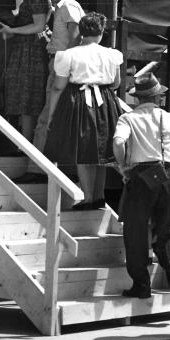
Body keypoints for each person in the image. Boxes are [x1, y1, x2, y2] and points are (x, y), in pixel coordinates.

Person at [112, 73, 170, 300]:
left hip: (142, 174)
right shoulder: (169, 118)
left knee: (136, 230)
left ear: (138, 98)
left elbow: (118, 142)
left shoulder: (128, 119)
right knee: (168, 229)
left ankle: (141, 285)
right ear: (157, 97)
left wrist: (123, 166)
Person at [44, 12, 122, 209]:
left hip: (79, 100)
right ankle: (98, 195)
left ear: (81, 31)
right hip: (106, 100)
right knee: (102, 151)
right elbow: (116, 83)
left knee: (84, 149)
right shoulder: (112, 54)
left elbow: (58, 86)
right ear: (101, 32)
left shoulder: (68, 55)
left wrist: (51, 114)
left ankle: (88, 198)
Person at [29, 0, 84, 156]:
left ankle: (37, 167)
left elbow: (75, 38)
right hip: (57, 63)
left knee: (47, 118)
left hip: (62, 66)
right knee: (49, 117)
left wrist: (65, 68)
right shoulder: (61, 6)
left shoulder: (69, 6)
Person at [0, 0, 52, 140]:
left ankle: (27, 143)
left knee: (27, 98)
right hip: (30, 46)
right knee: (28, 98)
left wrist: (12, 30)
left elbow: (38, 26)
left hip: (31, 49)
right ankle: (28, 141)